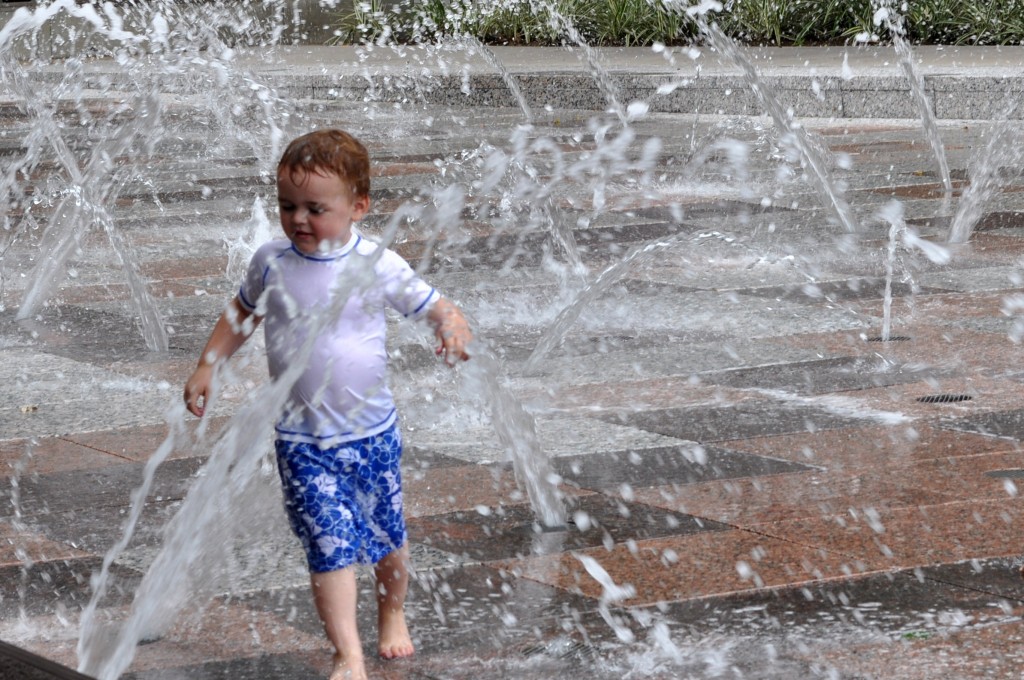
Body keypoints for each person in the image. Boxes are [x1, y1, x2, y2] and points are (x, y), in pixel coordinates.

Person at [183, 128, 472, 680]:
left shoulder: (376, 264)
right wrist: (207, 364)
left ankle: (392, 612)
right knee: (328, 545)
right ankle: (348, 653)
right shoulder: (271, 261)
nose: (298, 219)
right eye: (287, 206)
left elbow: (434, 305)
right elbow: (242, 314)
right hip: (302, 441)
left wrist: (452, 329)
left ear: (358, 206)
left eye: (316, 208)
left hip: (372, 435)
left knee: (387, 541)